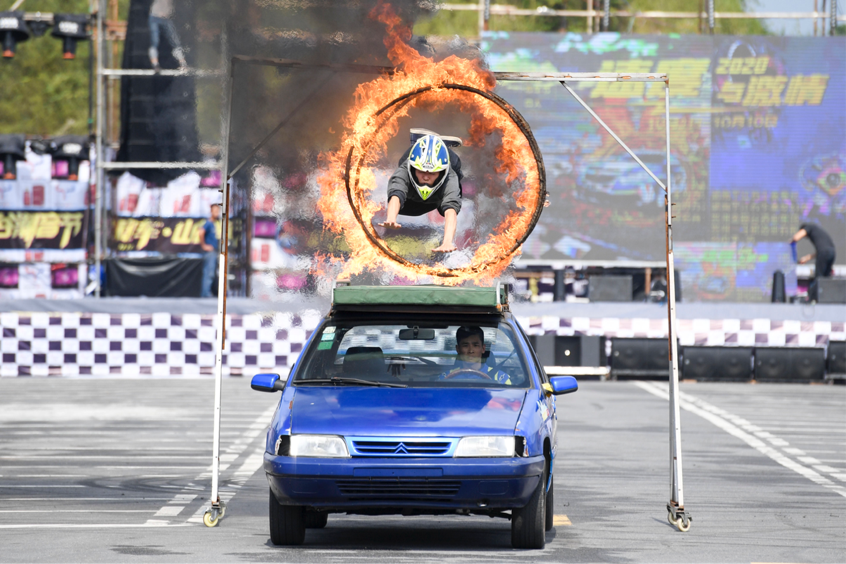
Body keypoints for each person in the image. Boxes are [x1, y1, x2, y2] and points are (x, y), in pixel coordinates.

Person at [379, 132, 462, 253]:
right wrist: (391, 218)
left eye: (432, 173)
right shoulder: (403, 170)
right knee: (404, 209)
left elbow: (451, 212)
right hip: (413, 194)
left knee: (445, 209)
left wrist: (447, 242)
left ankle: (442, 144)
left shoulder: (450, 178)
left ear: (440, 172)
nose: (426, 177)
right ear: (413, 168)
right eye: (422, 171)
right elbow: (396, 194)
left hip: (437, 197)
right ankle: (419, 141)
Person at [440, 326, 511, 384]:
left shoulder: (501, 379)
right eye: (465, 345)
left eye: (475, 345)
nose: (471, 350)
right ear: (458, 349)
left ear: (483, 348)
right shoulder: (446, 378)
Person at [792, 223, 836, 301]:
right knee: (826, 278)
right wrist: (807, 258)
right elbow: (823, 251)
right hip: (832, 252)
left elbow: (796, 238)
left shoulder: (808, 227)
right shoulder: (818, 231)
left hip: (824, 253)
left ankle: (814, 299)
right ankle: (826, 298)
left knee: (819, 277)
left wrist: (790, 242)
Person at [148, 0, 187, 73]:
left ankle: (183, 63)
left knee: (175, 41)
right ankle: (155, 64)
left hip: (166, 18)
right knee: (154, 41)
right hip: (155, 17)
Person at [200, 204, 220, 298]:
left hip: (213, 252)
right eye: (215, 211)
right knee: (209, 273)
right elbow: (201, 232)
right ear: (211, 211)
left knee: (211, 273)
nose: (217, 213)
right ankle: (205, 294)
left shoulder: (214, 224)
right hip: (209, 253)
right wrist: (204, 245)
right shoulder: (208, 223)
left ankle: (207, 293)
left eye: (218, 211)